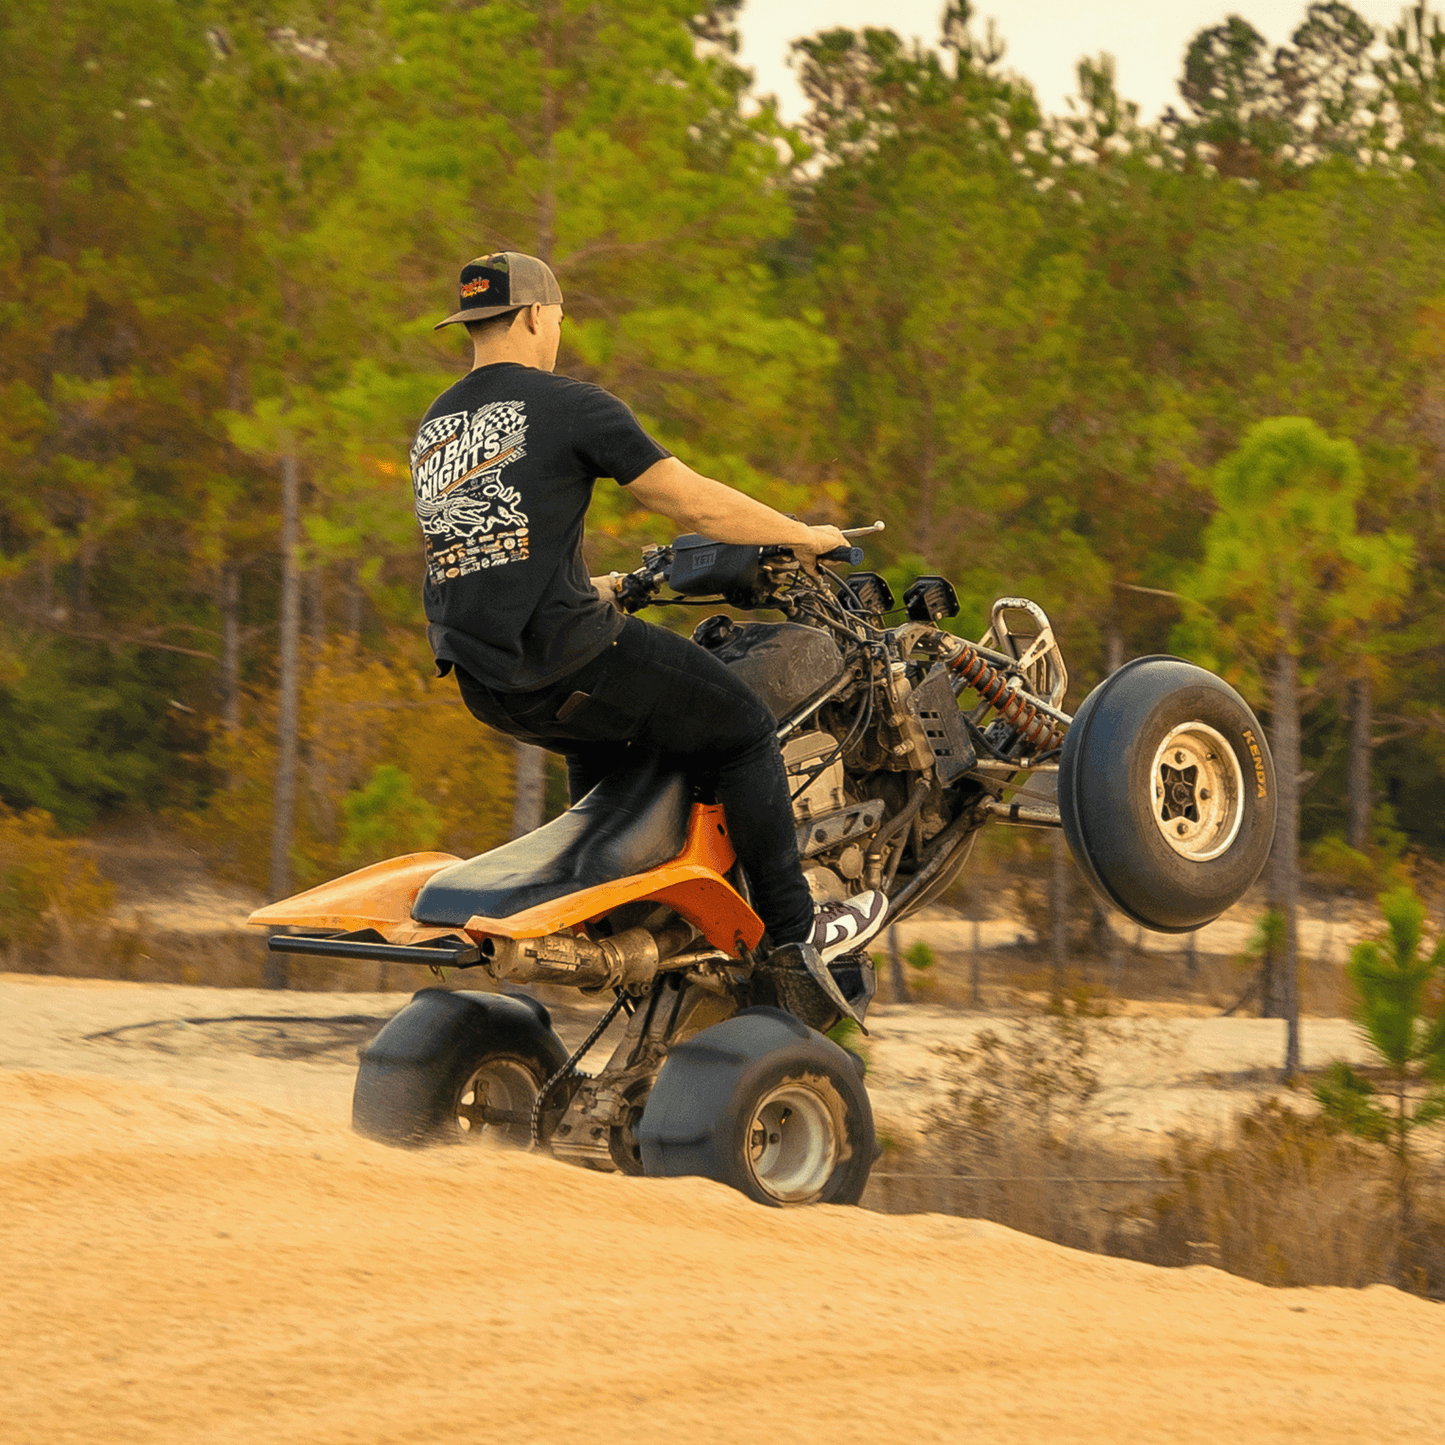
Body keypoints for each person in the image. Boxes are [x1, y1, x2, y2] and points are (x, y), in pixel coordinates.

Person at [410, 251, 886, 962]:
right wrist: (802, 533)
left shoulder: (435, 428)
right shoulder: (569, 405)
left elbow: (494, 546)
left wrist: (597, 586)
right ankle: (793, 931)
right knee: (743, 728)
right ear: (538, 316)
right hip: (569, 657)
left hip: (487, 684)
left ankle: (622, 917)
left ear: (473, 323)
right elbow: (687, 500)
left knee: (601, 737)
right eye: (559, 319)